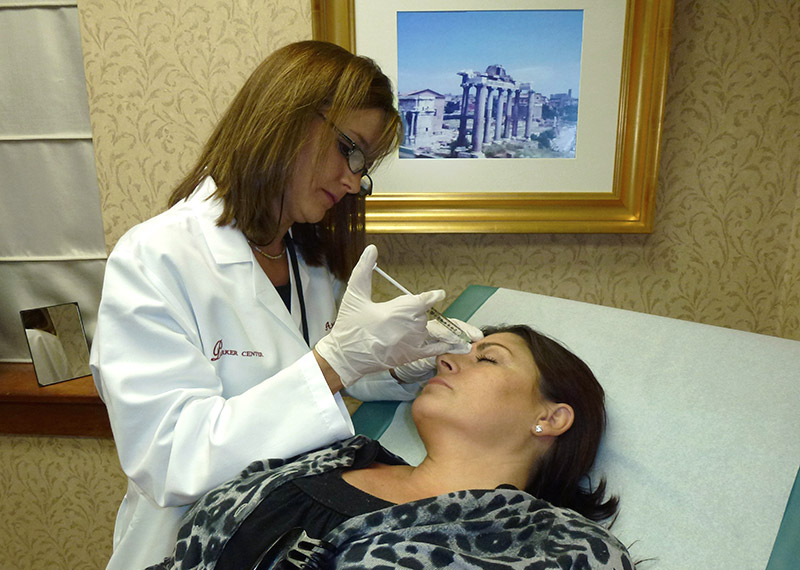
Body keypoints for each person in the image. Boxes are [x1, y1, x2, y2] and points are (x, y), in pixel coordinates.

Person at [90, 40, 478, 570]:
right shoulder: (156, 257)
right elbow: (171, 457)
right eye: (350, 147)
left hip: (286, 530)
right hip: (190, 543)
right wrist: (335, 363)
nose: (353, 179)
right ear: (287, 117)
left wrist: (399, 362)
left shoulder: (305, 256)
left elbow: (313, 374)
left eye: (364, 163)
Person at [149, 325, 633, 570]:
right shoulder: (333, 456)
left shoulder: (557, 547)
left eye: (487, 358)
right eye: (456, 352)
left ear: (550, 417)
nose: (446, 360)